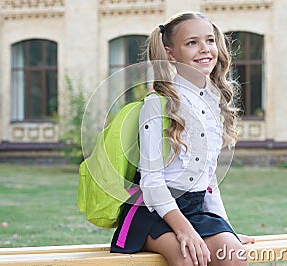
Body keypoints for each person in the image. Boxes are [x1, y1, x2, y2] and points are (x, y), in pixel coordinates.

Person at [110, 11, 255, 266]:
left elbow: (208, 179)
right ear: (171, 54)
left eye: (210, 40)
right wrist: (184, 229)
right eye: (192, 43)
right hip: (152, 211)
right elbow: (152, 181)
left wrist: (226, 229)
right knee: (188, 257)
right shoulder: (158, 104)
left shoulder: (212, 103)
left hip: (195, 209)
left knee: (232, 254)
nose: (205, 49)